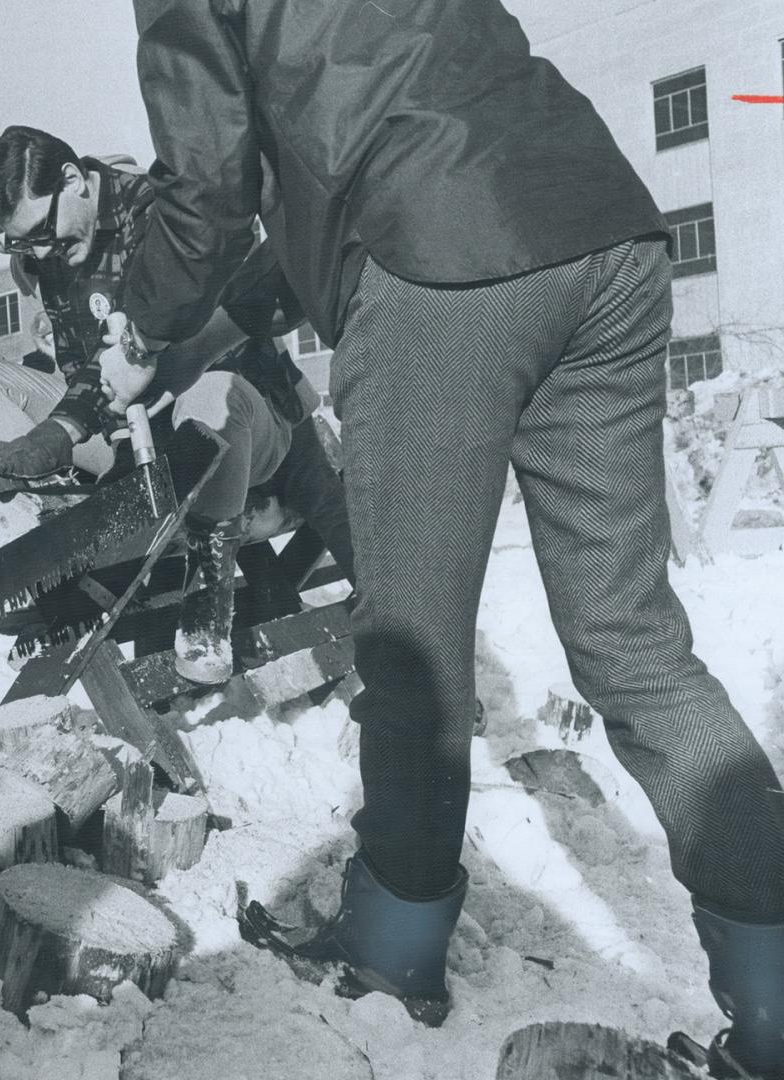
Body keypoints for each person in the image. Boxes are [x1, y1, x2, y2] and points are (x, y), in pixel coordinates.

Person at [82, 1, 784, 1069]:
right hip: (600, 225)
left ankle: (389, 950)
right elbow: (368, 147)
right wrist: (228, 310)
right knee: (633, 641)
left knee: (411, 651)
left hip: (447, 264)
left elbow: (211, 181)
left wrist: (142, 320)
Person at [0, 132, 299, 683]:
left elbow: (135, 353)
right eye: (19, 246)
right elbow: (92, 369)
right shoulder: (53, 251)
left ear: (74, 183)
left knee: (209, 391)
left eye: (38, 234)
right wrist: (44, 442)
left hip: (228, 425)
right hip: (123, 430)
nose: (35, 255)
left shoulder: (159, 213)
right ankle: (45, 516)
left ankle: (208, 598)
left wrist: (62, 429)